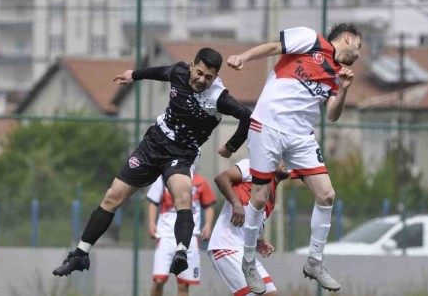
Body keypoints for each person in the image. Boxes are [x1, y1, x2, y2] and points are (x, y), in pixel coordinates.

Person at [53, 47, 251, 277]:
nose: (202, 80)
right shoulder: (179, 71)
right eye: (199, 73)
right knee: (112, 196)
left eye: (209, 77)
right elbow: (160, 72)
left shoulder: (219, 98)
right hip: (153, 144)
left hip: (182, 154)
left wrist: (231, 146)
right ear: (191, 66)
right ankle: (80, 255)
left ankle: (181, 252)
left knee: (183, 196)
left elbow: (247, 116)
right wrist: (134, 75)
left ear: (216, 77)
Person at [227, 23, 361, 294]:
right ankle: (249, 261)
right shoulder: (311, 39)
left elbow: (332, 115)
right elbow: (274, 47)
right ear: (347, 38)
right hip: (268, 125)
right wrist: (243, 57)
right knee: (259, 197)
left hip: (300, 136)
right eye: (358, 47)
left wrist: (344, 89)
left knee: (326, 195)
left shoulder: (338, 74)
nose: (358, 55)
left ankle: (314, 262)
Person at [208, 159, 289, 296]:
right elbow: (221, 178)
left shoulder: (271, 198)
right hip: (227, 245)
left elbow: (250, 223)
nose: (286, 162)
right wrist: (236, 203)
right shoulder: (254, 167)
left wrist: (258, 240)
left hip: (245, 254)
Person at [147, 172, 216, 296]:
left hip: (190, 237)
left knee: (183, 284)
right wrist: (152, 223)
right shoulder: (163, 179)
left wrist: (208, 225)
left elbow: (209, 205)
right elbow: (153, 201)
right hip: (166, 236)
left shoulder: (201, 182)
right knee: (158, 280)